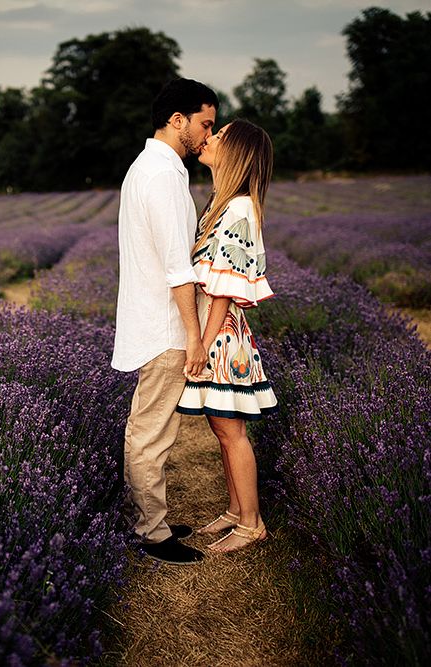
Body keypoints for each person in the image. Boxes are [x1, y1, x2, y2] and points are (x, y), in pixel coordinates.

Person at [112, 78, 218, 565]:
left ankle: (151, 519)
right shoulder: (159, 176)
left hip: (161, 321)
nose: (207, 134)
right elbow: (180, 270)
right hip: (165, 325)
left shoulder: (157, 170)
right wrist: (194, 339)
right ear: (178, 120)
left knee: (156, 430)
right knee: (150, 432)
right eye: (205, 124)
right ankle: (151, 533)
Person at [176, 118, 278, 552]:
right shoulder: (222, 202)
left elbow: (225, 286)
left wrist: (202, 341)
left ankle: (251, 522)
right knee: (222, 426)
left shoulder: (237, 208)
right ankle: (237, 510)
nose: (210, 138)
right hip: (218, 331)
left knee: (230, 429)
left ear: (235, 152)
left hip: (223, 334)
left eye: (220, 135)